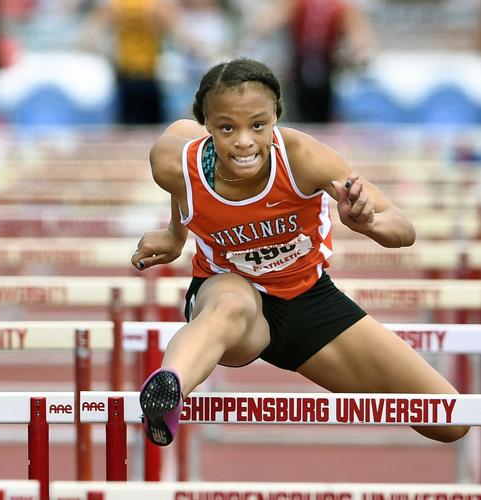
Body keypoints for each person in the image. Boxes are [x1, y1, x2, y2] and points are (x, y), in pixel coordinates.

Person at [131, 58, 468, 446]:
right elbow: (183, 186)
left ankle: (171, 387)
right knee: (231, 305)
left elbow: (403, 229)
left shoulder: (303, 158)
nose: (244, 142)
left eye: (257, 125)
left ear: (276, 116)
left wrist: (369, 223)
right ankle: (168, 392)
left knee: (448, 419)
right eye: (227, 128)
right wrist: (176, 235)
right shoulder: (173, 162)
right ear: (207, 126)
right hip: (231, 296)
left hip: (309, 300)